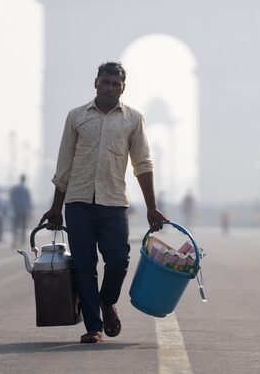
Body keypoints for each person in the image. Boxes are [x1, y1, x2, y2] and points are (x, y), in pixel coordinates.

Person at [39, 61, 167, 344]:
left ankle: (107, 301)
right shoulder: (76, 117)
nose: (109, 88)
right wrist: (55, 206)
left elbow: (143, 164)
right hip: (78, 201)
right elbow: (64, 164)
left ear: (123, 88)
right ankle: (93, 326)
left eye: (115, 84)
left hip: (114, 201)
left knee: (118, 260)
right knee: (84, 264)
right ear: (95, 83)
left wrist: (150, 206)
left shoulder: (133, 119)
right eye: (105, 82)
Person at [10, 174, 32, 248]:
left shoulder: (15, 189)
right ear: (24, 180)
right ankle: (22, 241)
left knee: (15, 227)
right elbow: (28, 202)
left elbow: (11, 199)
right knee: (23, 227)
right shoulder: (26, 190)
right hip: (23, 211)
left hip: (16, 210)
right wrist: (29, 211)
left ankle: (14, 241)